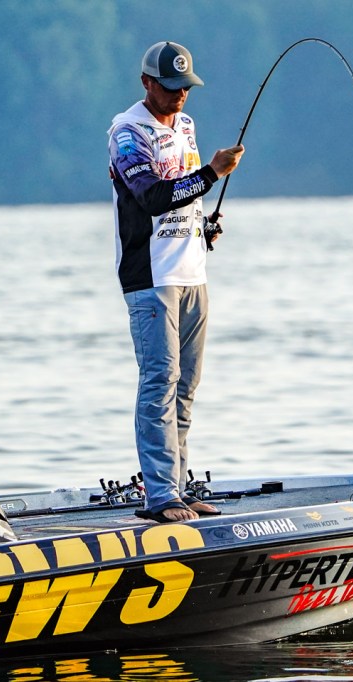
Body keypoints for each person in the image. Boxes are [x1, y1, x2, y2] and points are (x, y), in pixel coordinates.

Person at [108, 41, 244, 523]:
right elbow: (151, 197)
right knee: (159, 384)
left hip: (193, 273)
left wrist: (202, 226)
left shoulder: (185, 125)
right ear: (147, 83)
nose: (179, 95)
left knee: (185, 386)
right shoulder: (127, 132)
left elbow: (183, 196)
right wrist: (211, 173)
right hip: (151, 278)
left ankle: (179, 489)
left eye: (185, 86)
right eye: (169, 87)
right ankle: (160, 496)